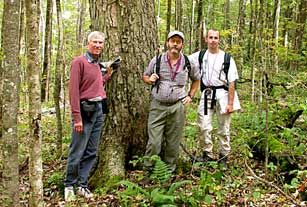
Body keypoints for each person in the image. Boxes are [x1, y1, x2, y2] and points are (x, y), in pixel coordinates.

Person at [64, 31, 113, 201]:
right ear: (88, 43)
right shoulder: (79, 62)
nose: (98, 45)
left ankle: (82, 185)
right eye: (95, 42)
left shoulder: (98, 64)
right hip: (84, 112)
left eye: (101, 42)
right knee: (77, 150)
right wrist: (77, 118)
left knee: (91, 151)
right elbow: (73, 92)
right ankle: (69, 185)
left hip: (98, 110)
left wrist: (107, 76)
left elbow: (95, 85)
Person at [143, 31, 200, 173]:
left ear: (182, 45)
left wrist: (190, 96)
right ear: (167, 43)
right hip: (157, 106)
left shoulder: (188, 62)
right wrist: (150, 80)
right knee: (154, 142)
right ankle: (148, 170)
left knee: (173, 142)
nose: (175, 44)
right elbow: (145, 76)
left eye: (178, 41)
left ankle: (168, 173)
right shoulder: (157, 60)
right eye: (172, 41)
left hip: (177, 107)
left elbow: (196, 80)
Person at [189, 29, 240, 168]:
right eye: (210, 37)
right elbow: (183, 60)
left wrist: (230, 103)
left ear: (219, 40)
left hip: (223, 95)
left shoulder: (227, 58)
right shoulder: (200, 56)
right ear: (206, 39)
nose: (213, 40)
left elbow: (232, 82)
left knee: (224, 128)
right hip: (207, 94)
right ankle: (208, 154)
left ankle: (224, 156)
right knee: (204, 125)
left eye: (215, 38)